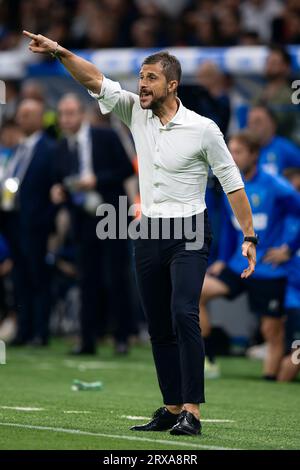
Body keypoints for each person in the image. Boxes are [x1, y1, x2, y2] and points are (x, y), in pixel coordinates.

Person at [23, 30, 257, 437]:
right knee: (158, 325)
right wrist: (60, 52)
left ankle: (192, 411)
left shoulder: (204, 129)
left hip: (189, 230)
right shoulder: (135, 112)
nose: (140, 84)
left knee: (184, 312)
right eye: (139, 77)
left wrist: (249, 236)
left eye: (149, 77)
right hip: (149, 231)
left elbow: (232, 182)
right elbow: (93, 79)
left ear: (171, 84)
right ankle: (170, 407)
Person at [200, 130, 300, 380]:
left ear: (254, 155)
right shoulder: (229, 185)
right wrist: (223, 258)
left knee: (272, 332)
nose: (232, 157)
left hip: (268, 268)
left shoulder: (277, 186)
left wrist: (288, 249)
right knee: (195, 291)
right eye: (230, 151)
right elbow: (233, 227)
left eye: (238, 152)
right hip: (237, 264)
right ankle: (208, 359)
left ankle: (270, 381)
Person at [52, 93, 135, 355]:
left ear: (82, 114)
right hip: (83, 219)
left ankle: (122, 336)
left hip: (112, 214)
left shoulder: (105, 136)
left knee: (117, 277)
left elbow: (126, 169)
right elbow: (64, 181)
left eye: (71, 113)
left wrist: (96, 180)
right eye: (62, 114)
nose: (66, 119)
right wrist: (60, 192)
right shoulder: (62, 147)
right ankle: (88, 339)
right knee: (87, 278)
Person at [0, 99, 56, 346]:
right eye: (20, 114)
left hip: (36, 224)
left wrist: (47, 221)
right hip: (13, 221)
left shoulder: (49, 149)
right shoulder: (19, 149)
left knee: (37, 278)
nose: (22, 119)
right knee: (20, 277)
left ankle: (40, 332)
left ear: (39, 117)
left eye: (27, 115)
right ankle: (24, 330)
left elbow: (52, 190)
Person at [247, 105, 300, 177]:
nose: (252, 126)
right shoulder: (243, 149)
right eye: (250, 122)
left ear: (272, 124)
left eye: (258, 121)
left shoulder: (283, 148)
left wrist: (295, 179)